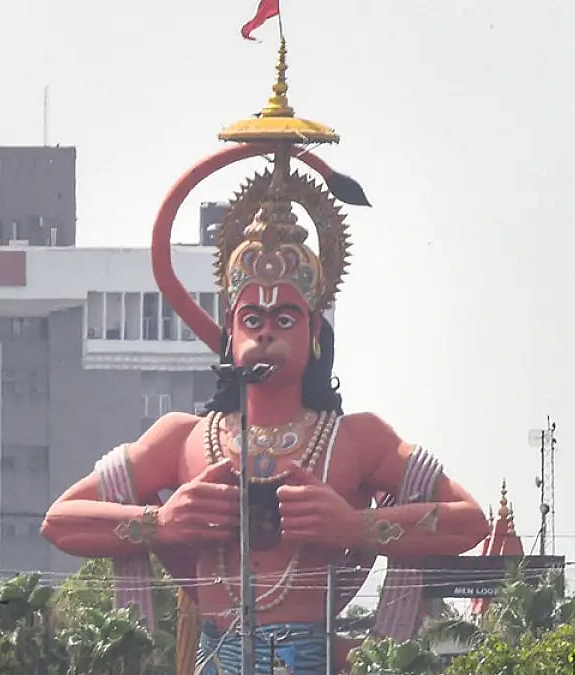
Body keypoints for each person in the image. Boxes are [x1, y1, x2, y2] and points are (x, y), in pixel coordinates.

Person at [42, 62, 489, 674]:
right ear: (229, 333)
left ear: (315, 333)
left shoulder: (356, 439)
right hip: (214, 654)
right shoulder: (183, 439)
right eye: (251, 318)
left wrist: (355, 526)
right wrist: (161, 521)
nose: (266, 333)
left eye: (285, 318)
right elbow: (61, 520)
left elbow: (469, 521)